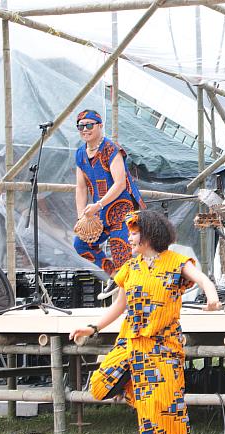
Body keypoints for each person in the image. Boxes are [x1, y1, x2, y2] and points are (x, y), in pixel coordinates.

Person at [69, 210, 220, 434]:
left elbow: (202, 279)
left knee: (170, 405)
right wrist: (93, 328)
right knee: (100, 385)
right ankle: (135, 388)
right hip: (130, 341)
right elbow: (119, 305)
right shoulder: (131, 267)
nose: (129, 238)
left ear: (149, 234)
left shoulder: (176, 262)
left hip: (163, 345)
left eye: (133, 233)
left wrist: (212, 296)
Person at [73, 109, 145, 300]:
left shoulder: (111, 149)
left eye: (89, 125)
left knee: (121, 249)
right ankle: (115, 275)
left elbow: (120, 183)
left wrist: (98, 204)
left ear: (99, 126)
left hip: (122, 207)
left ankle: (134, 303)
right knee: (81, 244)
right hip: (101, 211)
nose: (85, 129)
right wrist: (82, 216)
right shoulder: (80, 154)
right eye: (81, 126)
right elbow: (80, 188)